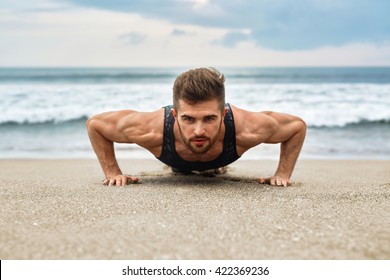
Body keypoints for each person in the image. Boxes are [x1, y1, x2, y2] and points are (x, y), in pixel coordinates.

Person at [86, 67, 306, 187]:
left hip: (220, 156)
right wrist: (113, 172)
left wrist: (283, 174)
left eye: (209, 119)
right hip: (176, 158)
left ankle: (216, 167)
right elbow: (96, 125)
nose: (199, 130)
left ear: (224, 114)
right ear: (174, 114)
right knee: (180, 168)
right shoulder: (151, 129)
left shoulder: (247, 128)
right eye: (188, 119)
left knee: (214, 167)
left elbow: (296, 127)